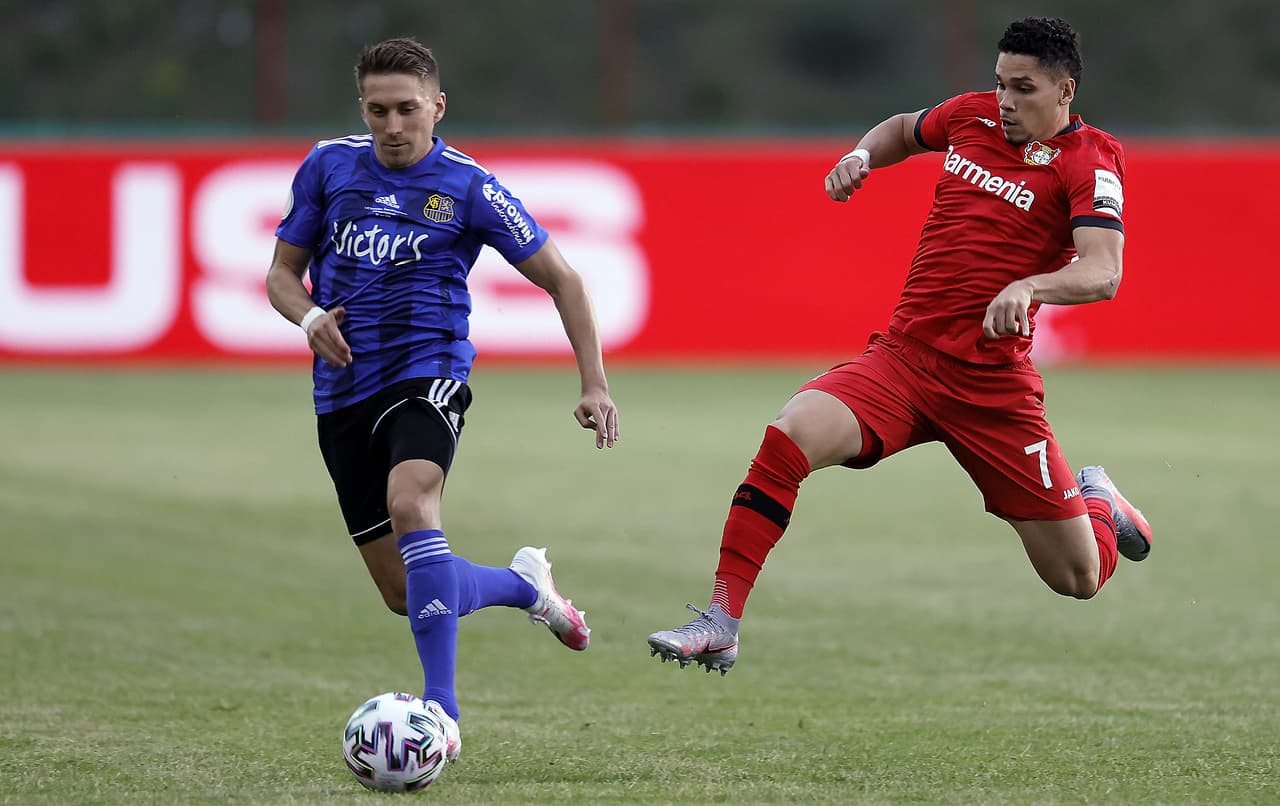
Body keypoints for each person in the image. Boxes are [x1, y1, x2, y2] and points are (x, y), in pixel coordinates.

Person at [647, 17, 1151, 675]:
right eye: (999, 84)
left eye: (1022, 88)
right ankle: (721, 621)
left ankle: (1098, 503)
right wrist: (861, 154)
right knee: (791, 433)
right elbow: (901, 129)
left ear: (1064, 91)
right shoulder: (969, 118)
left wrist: (1030, 288)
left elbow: (1103, 270)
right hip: (905, 360)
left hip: (991, 390)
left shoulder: (1090, 161)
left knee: (1077, 578)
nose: (1004, 101)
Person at [266, 37, 620, 760]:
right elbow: (280, 273)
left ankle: (442, 714)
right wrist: (307, 317)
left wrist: (594, 383)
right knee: (406, 593)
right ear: (361, 110)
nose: (393, 126)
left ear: (437, 107)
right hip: (340, 392)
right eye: (377, 111)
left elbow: (565, 280)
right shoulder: (329, 166)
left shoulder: (470, 187)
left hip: (429, 372)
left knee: (411, 505)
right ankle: (527, 590)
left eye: (406, 110)